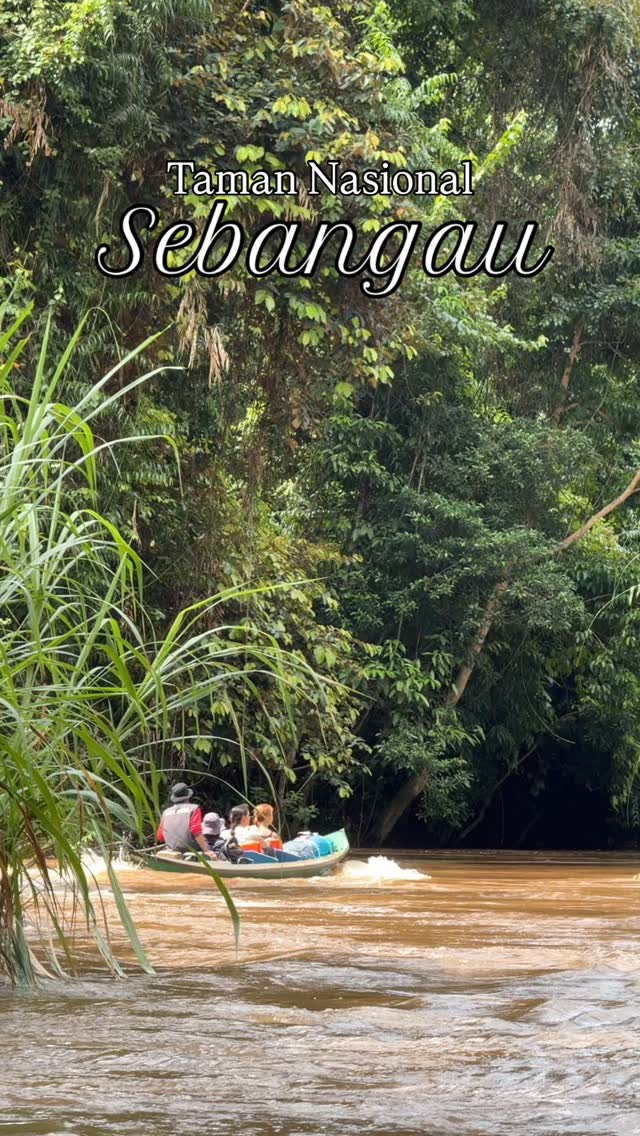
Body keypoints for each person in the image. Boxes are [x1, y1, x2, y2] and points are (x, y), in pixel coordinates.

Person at [157, 782, 215, 857]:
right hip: (191, 851)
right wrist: (206, 850)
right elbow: (196, 831)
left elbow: (160, 837)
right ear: (188, 796)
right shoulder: (194, 809)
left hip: (171, 850)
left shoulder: (165, 812)